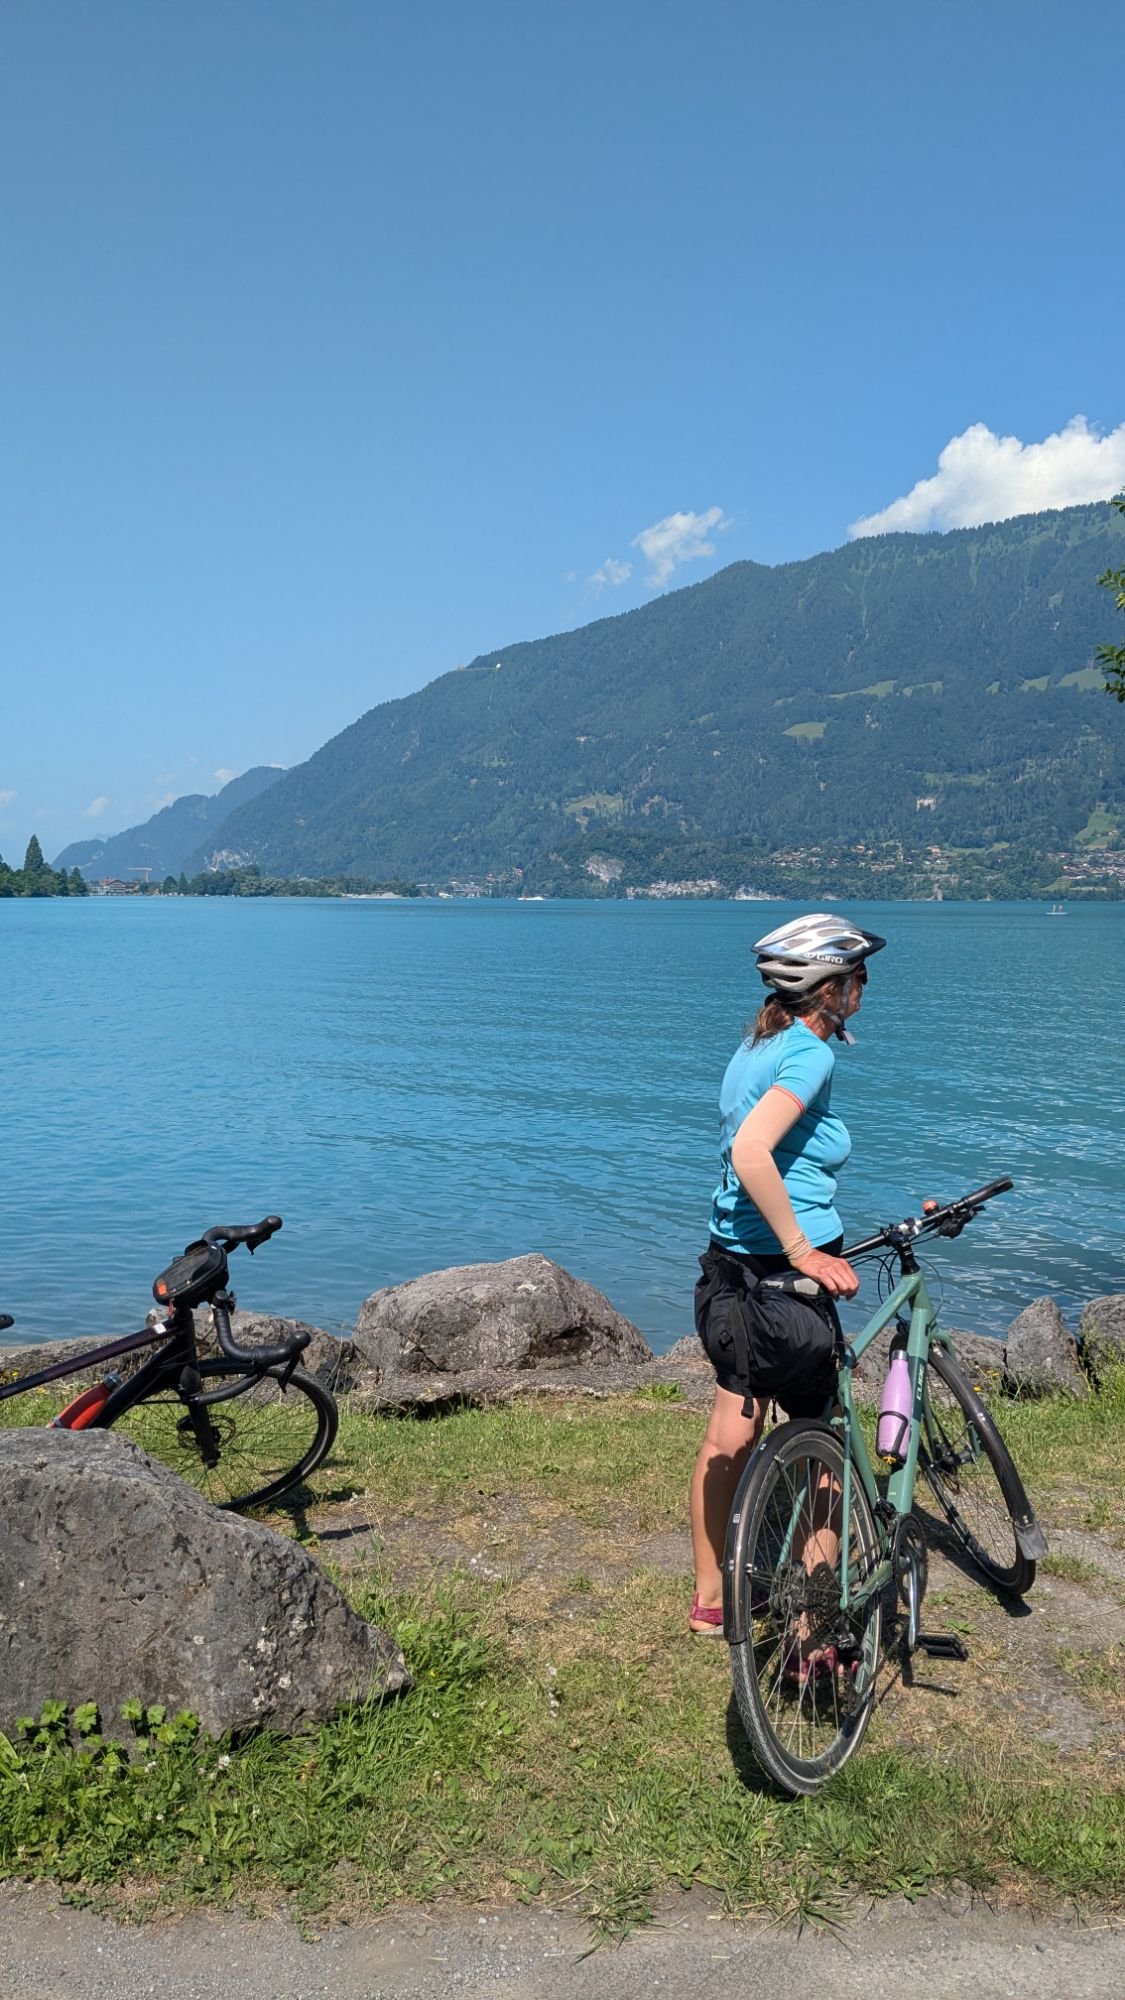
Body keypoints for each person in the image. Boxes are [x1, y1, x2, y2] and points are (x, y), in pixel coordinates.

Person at [688, 912, 886, 1635]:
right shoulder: (808, 1054)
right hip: (783, 1273)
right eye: (857, 974)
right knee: (821, 1440)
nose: (866, 984)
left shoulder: (757, 1043)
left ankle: (711, 1598)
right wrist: (803, 1251)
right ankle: (811, 1624)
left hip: (729, 1263)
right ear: (828, 989)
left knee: (728, 1436)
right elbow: (751, 1150)